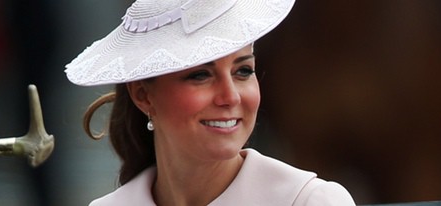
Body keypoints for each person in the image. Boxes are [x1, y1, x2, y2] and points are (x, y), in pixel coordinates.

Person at [65, 0, 356, 205]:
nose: (230, 96)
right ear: (143, 95)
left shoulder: (309, 201)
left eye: (243, 71)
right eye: (201, 75)